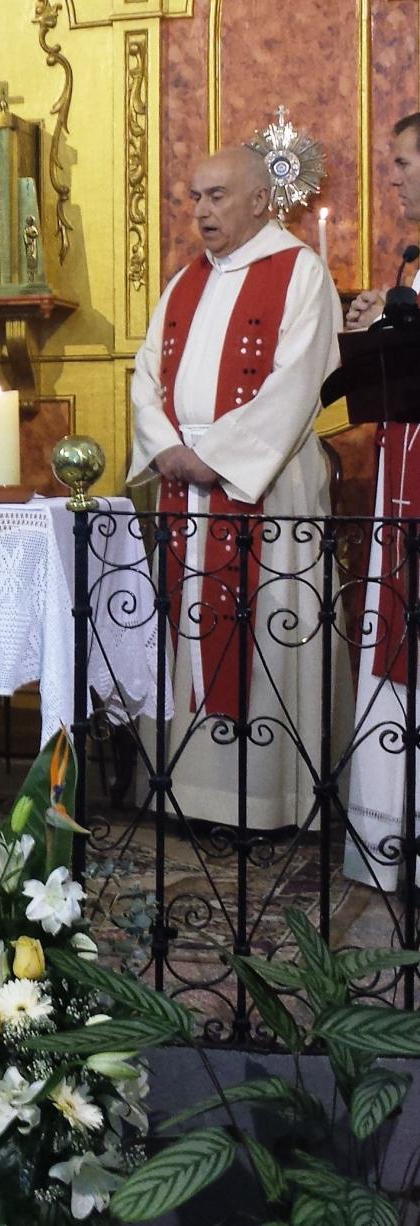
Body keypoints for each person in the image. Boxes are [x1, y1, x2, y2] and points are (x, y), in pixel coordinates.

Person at [128, 144, 344, 830]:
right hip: (184, 489)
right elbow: (144, 374)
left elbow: (298, 383)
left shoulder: (300, 274)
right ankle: (186, 796)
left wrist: (215, 456)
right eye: (195, 198)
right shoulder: (185, 280)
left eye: (217, 196)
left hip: (263, 487)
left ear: (259, 199)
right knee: (184, 635)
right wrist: (166, 447)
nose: (202, 211)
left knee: (269, 628)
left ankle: (265, 802)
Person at [343, 111, 420, 887]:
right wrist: (379, 329)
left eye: (401, 161)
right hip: (405, 484)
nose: (391, 176)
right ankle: (392, 836)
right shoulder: (413, 266)